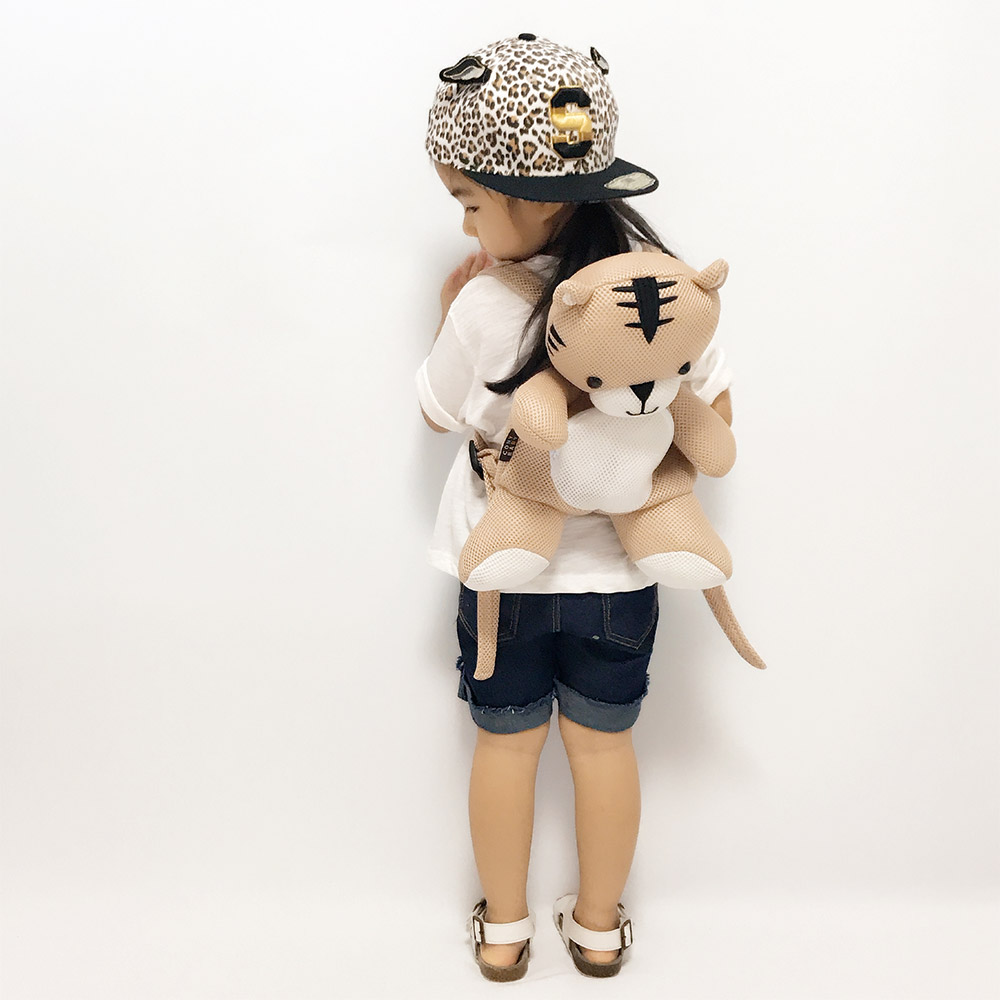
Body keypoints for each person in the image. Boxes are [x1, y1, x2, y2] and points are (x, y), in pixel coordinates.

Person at [416, 34, 733, 981]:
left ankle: (504, 933)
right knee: (604, 751)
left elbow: (435, 411)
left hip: (502, 579)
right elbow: (714, 418)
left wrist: (448, 310)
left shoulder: (483, 304)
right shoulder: (665, 288)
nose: (468, 226)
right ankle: (598, 930)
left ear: (536, 196)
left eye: (472, 202)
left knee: (505, 751)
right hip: (619, 583)